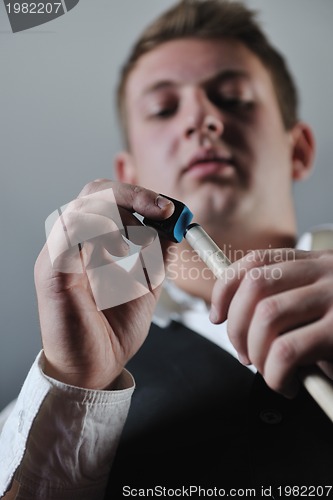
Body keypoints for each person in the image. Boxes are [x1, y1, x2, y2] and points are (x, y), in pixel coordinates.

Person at [1, 0, 333, 497]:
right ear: (128, 175)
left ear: (299, 149)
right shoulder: (27, 413)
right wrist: (76, 384)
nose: (201, 117)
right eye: (163, 109)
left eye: (235, 98)